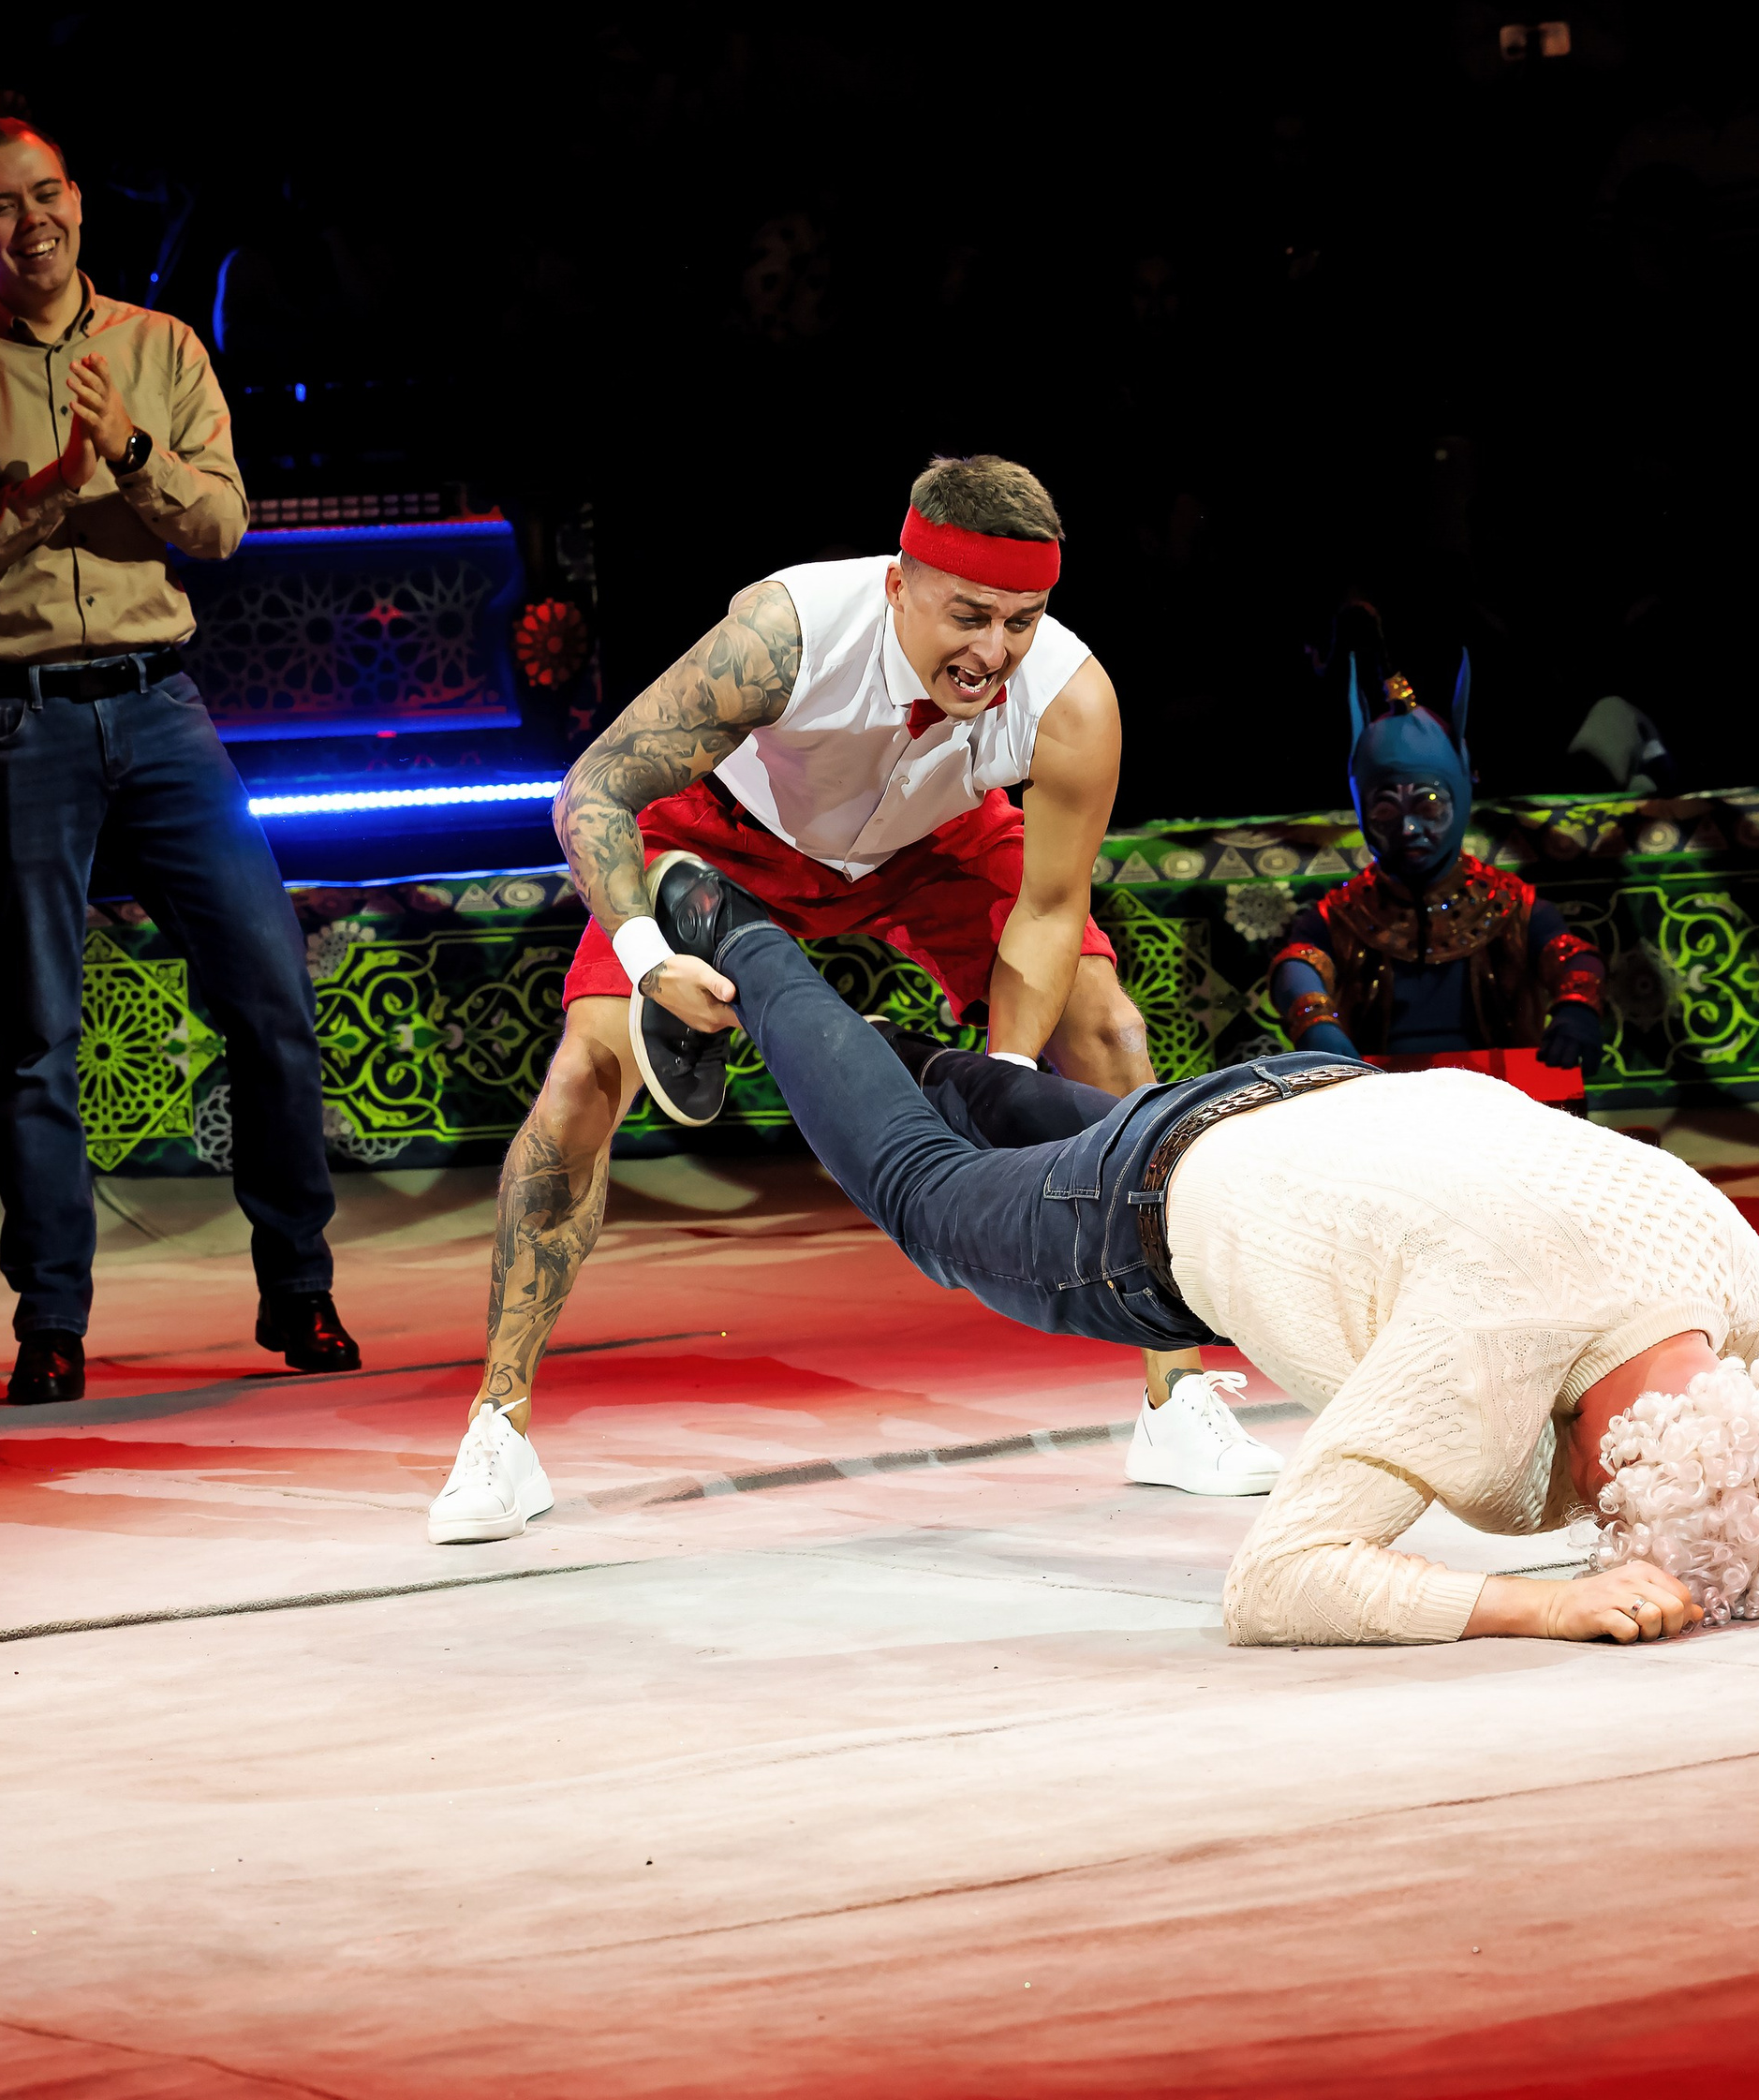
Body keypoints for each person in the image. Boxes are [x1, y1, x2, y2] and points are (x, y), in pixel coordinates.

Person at [431, 454, 1277, 1545]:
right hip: (718, 840)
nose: (994, 651)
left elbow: (1051, 907)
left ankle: (1174, 1396)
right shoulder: (785, 631)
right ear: (898, 585)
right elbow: (594, 786)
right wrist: (645, 959)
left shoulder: (1070, 697)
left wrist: (1005, 1081)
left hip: (931, 845)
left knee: (1107, 1029)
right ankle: (497, 1426)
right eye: (969, 615)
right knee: (584, 1075)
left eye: (1021, 621)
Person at [626, 850, 1754, 1647]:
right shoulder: (1480, 1351)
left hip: (1291, 1099)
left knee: (965, 1107)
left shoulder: (1716, 1249)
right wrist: (1539, 1604)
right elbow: (1274, 1585)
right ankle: (734, 934)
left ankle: (860, 1055)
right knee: (925, 1191)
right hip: (1150, 1208)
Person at [0, 96, 357, 1402]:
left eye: (46, 195)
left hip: (160, 701)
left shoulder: (162, 347)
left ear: (78, 200)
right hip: (16, 713)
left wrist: (128, 452)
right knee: (38, 1031)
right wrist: (49, 487)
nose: (29, 221)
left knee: (268, 993)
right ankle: (52, 1322)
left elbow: (218, 528)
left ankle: (299, 1288)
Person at [1270, 661, 1605, 1063]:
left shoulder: (1512, 906)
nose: (1408, 829)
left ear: (1460, 800)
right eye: (1385, 810)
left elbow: (1569, 956)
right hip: (1379, 1097)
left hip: (1500, 1095)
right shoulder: (1342, 915)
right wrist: (1314, 1018)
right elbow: (1298, 961)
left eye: (1427, 805)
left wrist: (1577, 1004)